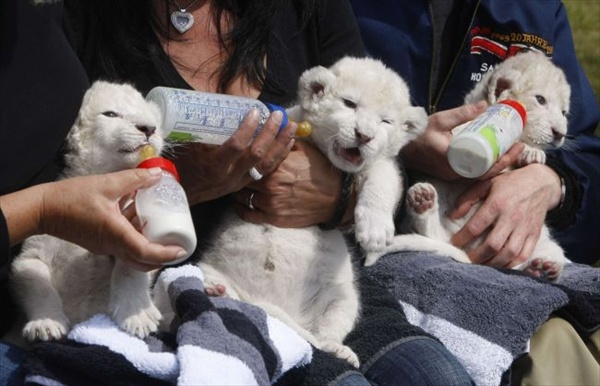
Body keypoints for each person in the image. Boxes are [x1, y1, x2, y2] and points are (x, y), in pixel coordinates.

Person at [61, 0, 475, 384]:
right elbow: (60, 189)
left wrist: (337, 196)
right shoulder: (80, 22)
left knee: (441, 377)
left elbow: (379, 151)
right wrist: (182, 185)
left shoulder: (305, 9)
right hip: (193, 297)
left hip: (319, 286)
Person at [345, 0, 600, 384]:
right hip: (369, 257)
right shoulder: (333, 10)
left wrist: (553, 185)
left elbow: (586, 152)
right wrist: (405, 146)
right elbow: (302, 119)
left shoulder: (537, 10)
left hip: (516, 271)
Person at [0, 0, 191, 384]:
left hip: (113, 340)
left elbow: (141, 255)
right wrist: (43, 211)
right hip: (35, 342)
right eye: (112, 117)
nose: (142, 127)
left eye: (147, 123)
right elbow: (30, 264)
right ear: (76, 134)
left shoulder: (42, 18)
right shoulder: (60, 187)